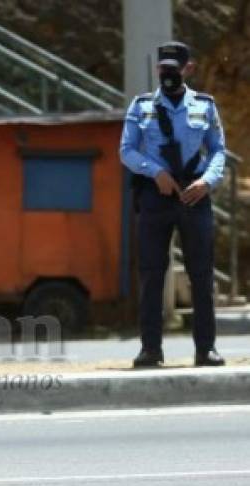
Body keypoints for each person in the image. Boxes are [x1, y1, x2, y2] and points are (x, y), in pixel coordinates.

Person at [120, 41, 227, 368]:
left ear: (188, 69)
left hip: (195, 196)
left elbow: (218, 150)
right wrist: (155, 173)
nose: (168, 72)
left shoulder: (205, 106)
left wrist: (207, 182)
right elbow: (127, 150)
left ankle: (205, 348)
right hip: (157, 196)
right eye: (163, 67)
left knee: (201, 275)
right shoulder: (141, 107)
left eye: (174, 67)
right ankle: (150, 349)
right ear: (157, 69)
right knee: (152, 273)